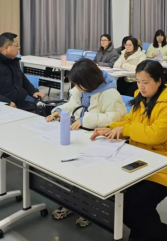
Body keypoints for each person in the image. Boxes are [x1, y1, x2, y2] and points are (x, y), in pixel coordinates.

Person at [91, 61, 167, 241]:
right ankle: (142, 233)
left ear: (158, 81)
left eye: (145, 82)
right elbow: (129, 122)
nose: (141, 87)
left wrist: (125, 129)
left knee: (134, 204)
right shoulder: (141, 98)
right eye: (138, 82)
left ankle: (159, 236)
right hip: (143, 159)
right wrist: (110, 128)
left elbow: (155, 135)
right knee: (116, 197)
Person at [47, 59, 127, 227]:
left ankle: (89, 207)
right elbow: (73, 105)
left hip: (100, 139)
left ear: (88, 80)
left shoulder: (110, 94)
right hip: (82, 135)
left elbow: (116, 119)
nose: (76, 87)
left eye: (78, 83)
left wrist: (85, 120)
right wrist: (59, 111)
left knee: (89, 175)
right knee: (70, 169)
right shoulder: (82, 89)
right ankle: (73, 202)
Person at [0, 33, 45, 109]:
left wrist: (33, 91)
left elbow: (21, 77)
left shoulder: (12, 59)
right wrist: (6, 102)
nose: (18, 49)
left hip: (19, 103)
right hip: (3, 107)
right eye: (16, 46)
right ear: (6, 48)